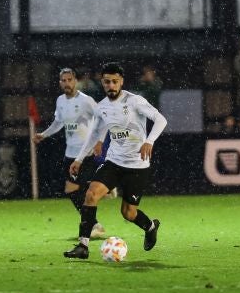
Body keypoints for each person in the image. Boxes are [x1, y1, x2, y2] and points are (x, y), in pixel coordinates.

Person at [64, 62, 167, 259]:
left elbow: (161, 119)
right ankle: (83, 246)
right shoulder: (102, 107)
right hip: (114, 162)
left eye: (114, 81)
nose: (111, 85)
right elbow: (94, 134)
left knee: (128, 213)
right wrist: (79, 159)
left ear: (121, 82)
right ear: (102, 83)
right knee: (91, 194)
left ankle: (150, 226)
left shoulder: (135, 101)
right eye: (107, 82)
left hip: (137, 165)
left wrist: (149, 141)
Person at [33, 68, 106, 240]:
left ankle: (93, 223)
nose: (67, 83)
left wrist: (99, 141)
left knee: (79, 190)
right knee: (72, 190)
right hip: (70, 153)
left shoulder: (86, 100)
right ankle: (95, 218)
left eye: (69, 80)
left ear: (75, 81)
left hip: (85, 152)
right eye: (63, 80)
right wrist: (44, 134)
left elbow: (102, 119)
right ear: (60, 83)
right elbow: (58, 122)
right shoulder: (60, 101)